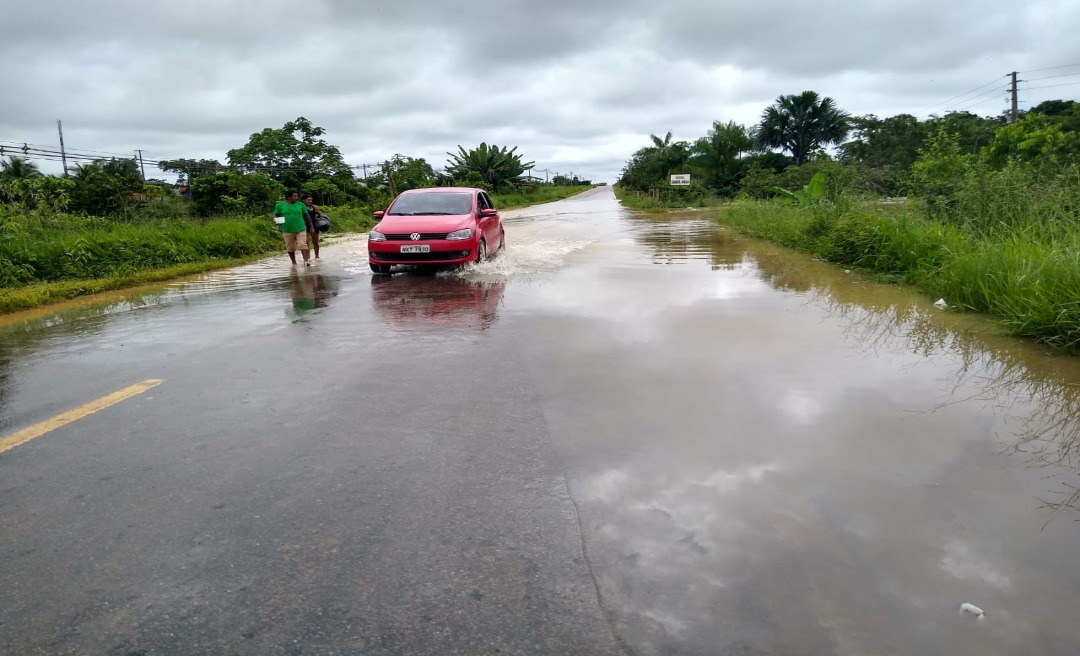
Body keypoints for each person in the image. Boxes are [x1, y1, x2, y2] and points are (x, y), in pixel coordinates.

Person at [273, 191, 312, 266]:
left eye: (297, 196)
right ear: (289, 197)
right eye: (295, 196)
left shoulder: (300, 205)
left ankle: (306, 261)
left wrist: (311, 226)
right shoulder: (280, 205)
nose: (297, 198)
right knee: (290, 247)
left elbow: (306, 215)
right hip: (287, 229)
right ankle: (293, 262)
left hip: (300, 228)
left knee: (302, 244)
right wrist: (275, 220)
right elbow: (275, 214)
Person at [301, 193, 322, 259]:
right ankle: (308, 257)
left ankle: (317, 256)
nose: (310, 202)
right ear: (303, 200)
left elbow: (320, 215)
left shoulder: (314, 207)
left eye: (311, 200)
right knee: (306, 242)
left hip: (314, 225)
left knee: (315, 242)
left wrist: (317, 217)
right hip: (305, 225)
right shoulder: (301, 208)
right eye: (308, 200)